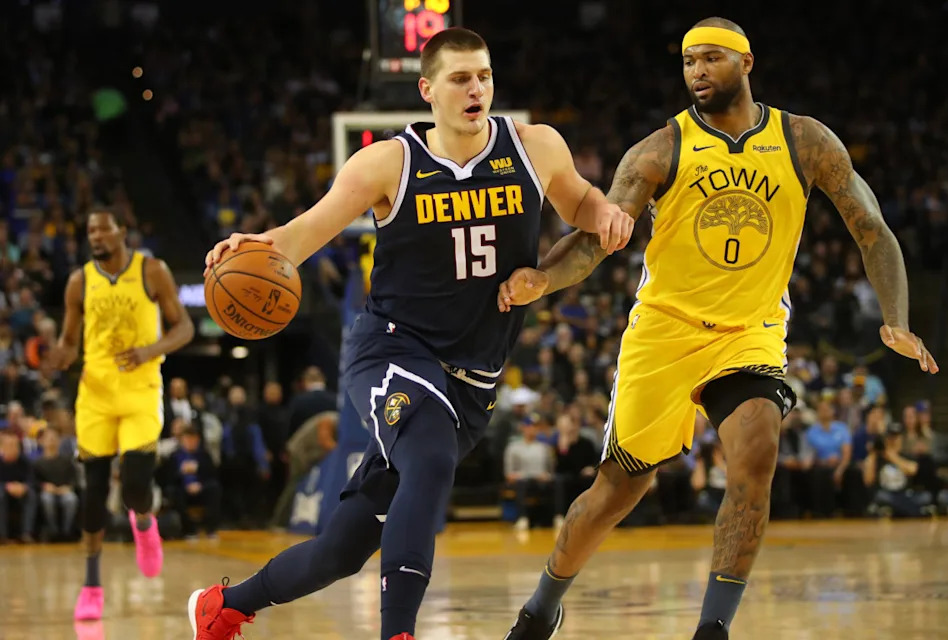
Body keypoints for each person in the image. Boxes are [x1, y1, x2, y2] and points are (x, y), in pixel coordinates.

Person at [498, 17, 938, 640]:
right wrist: (542, 279)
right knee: (617, 491)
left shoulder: (804, 140)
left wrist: (896, 321)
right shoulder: (660, 150)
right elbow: (598, 239)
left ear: (747, 63)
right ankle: (543, 603)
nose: (697, 72)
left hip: (749, 331)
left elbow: (871, 227)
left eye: (711, 59)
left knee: (756, 455)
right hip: (664, 330)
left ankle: (713, 630)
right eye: (688, 62)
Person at [187, 27, 633, 640]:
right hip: (392, 350)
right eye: (459, 78)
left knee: (342, 551)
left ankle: (223, 606)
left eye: (484, 75)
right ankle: (399, 632)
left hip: (472, 380)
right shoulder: (387, 163)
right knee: (427, 455)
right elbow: (304, 232)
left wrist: (604, 211)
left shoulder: (534, 147)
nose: (476, 88)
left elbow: (578, 201)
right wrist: (253, 246)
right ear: (427, 90)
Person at [52, 208, 195, 621]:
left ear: (121, 232)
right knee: (94, 494)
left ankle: (145, 521)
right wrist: (61, 355)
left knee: (134, 485)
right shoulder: (79, 281)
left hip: (141, 390)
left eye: (103, 228)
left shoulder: (151, 270)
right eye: (90, 230)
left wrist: (150, 351)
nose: (95, 235)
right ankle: (92, 584)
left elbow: (184, 327)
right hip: (94, 394)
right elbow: (68, 339)